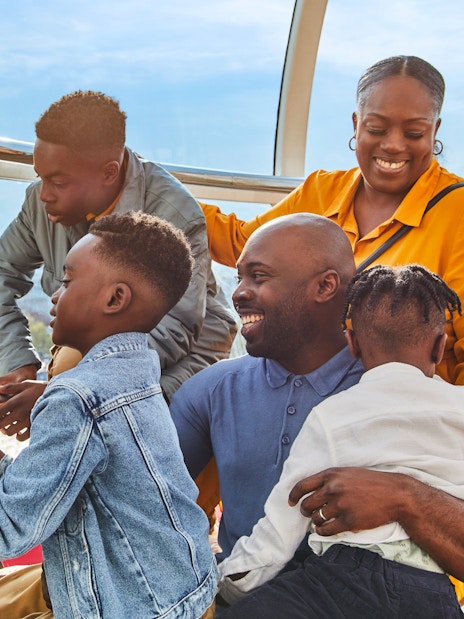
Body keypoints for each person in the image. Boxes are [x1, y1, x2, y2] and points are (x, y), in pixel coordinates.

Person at [0, 211, 217, 619]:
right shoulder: (137, 371)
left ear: (115, 298)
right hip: (187, 594)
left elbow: (8, 530)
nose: (54, 296)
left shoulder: (78, 398)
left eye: (66, 282)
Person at [200, 55, 464, 386]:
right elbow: (241, 243)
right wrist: (148, 188)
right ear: (356, 124)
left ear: (435, 130)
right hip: (307, 393)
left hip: (406, 415)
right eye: (376, 128)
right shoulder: (321, 192)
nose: (394, 145)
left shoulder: (457, 211)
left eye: (413, 132)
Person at [217, 264, 464, 618]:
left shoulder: (332, 414)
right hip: (432, 594)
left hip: (338, 583)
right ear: (441, 347)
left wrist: (228, 584)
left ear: (352, 344)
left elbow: (279, 533)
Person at [0, 89, 236, 440]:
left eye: (58, 182)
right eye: (40, 176)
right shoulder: (41, 202)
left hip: (177, 358)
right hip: (85, 359)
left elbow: (174, 332)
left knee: (115, 430)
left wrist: (64, 392)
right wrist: (17, 362)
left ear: (109, 173)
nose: (43, 193)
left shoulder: (176, 213)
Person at [170, 213, 365, 563]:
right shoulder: (211, 391)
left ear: (325, 286)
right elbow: (143, 502)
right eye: (240, 276)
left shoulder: (390, 392)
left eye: (258, 277)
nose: (239, 293)